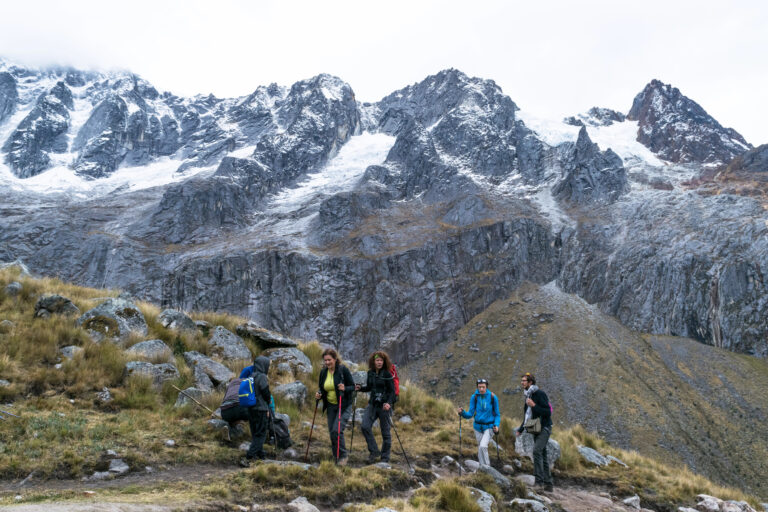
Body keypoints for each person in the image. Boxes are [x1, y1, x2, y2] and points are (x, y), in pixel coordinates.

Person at [315, 348, 355, 465]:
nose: (327, 363)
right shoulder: (323, 372)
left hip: (344, 405)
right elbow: (322, 388)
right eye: (325, 360)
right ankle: (335, 456)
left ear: (335, 359)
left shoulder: (343, 370)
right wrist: (319, 394)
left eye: (329, 360)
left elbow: (352, 387)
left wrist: (345, 388)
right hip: (331, 406)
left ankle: (343, 456)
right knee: (332, 432)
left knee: (337, 431)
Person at [355, 350, 396, 463]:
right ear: (373, 361)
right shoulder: (370, 373)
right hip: (372, 405)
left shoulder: (387, 374)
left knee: (386, 434)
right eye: (377, 360)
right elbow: (369, 387)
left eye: (381, 360)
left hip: (384, 407)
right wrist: (360, 388)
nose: (379, 362)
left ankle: (385, 458)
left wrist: (388, 403)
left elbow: (392, 392)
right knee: (365, 426)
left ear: (384, 361)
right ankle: (374, 451)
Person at [515, 372, 553, 491]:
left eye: (524, 381)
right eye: (522, 381)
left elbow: (547, 412)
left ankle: (539, 483)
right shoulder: (528, 395)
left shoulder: (539, 394)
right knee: (543, 455)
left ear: (530, 382)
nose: (522, 383)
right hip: (534, 427)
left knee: (536, 451)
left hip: (544, 428)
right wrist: (520, 429)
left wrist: (534, 405)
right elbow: (527, 416)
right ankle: (548, 485)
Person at [239, 356, 273, 467]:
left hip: (251, 409)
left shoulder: (251, 376)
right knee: (261, 434)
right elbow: (265, 392)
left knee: (255, 433)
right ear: (264, 365)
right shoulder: (262, 376)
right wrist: (269, 403)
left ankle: (260, 454)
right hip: (261, 409)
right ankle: (248, 457)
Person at [458, 378, 500, 467]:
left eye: (483, 387)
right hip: (477, 427)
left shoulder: (493, 397)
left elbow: (497, 414)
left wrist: (496, 425)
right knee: (480, 448)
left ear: (486, 387)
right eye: (479, 387)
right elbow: (470, 414)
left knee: (483, 446)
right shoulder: (474, 397)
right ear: (477, 387)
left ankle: (487, 468)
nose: (481, 389)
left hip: (489, 427)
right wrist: (463, 413)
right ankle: (482, 468)